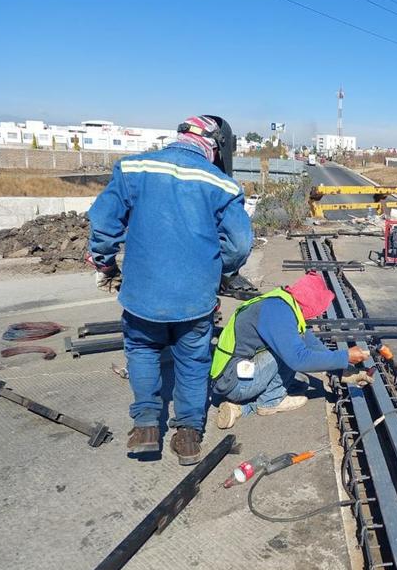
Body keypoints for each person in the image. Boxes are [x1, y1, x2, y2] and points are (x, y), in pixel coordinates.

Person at [88, 115, 253, 465]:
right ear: (214, 145)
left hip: (141, 296)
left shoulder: (133, 168)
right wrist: (216, 268)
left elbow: (103, 223)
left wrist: (105, 263)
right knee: (192, 361)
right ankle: (189, 436)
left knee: (143, 351)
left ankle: (147, 426)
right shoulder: (222, 184)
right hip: (195, 298)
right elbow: (239, 245)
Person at [211, 272, 370, 429]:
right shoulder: (278, 313)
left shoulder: (285, 304)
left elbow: (312, 344)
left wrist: (343, 371)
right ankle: (269, 402)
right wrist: (345, 356)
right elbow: (298, 358)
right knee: (291, 355)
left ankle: (239, 408)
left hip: (234, 376)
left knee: (301, 383)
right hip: (234, 382)